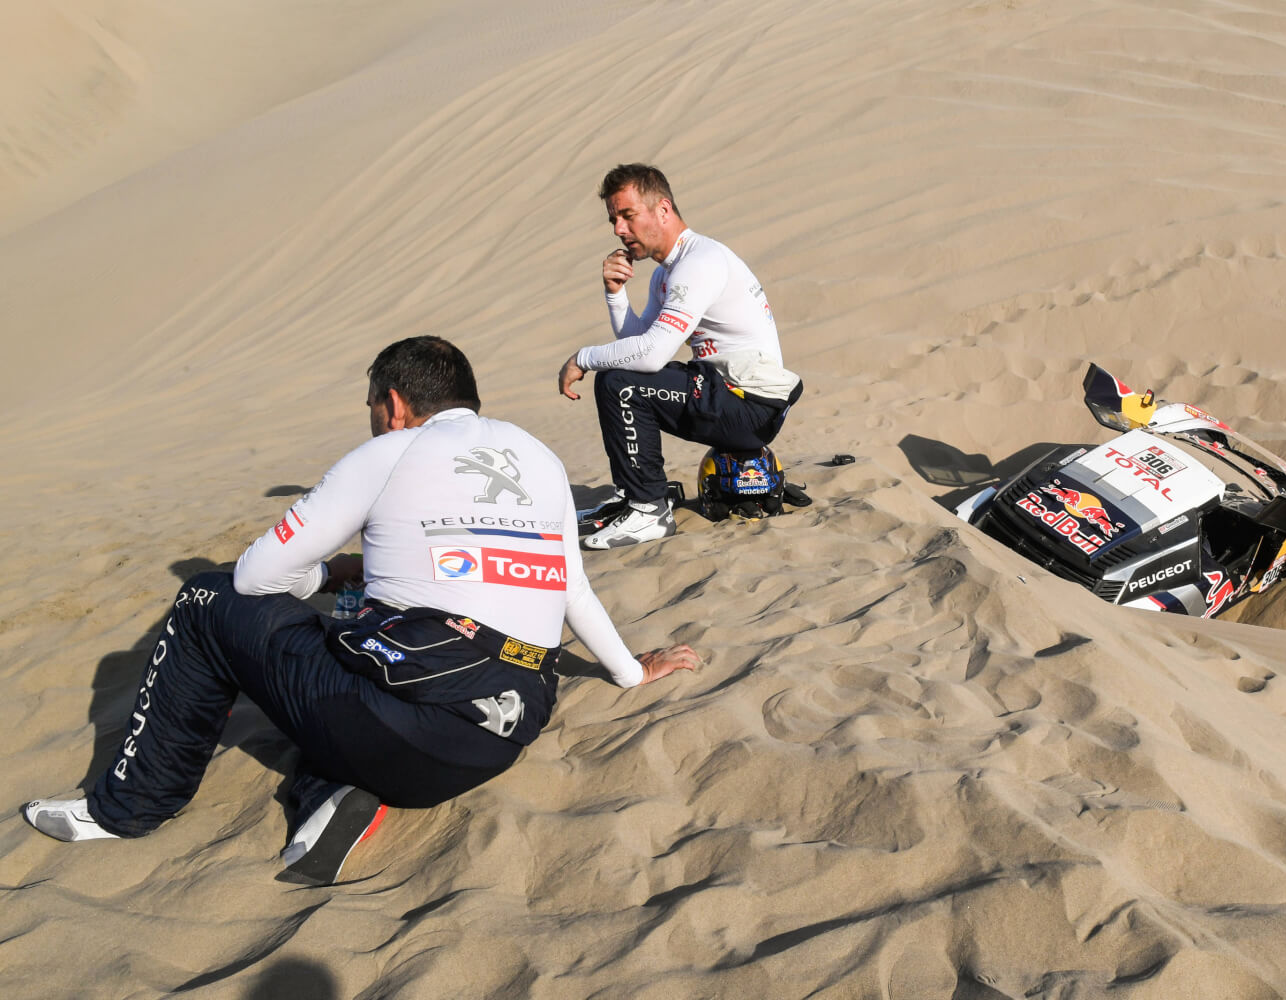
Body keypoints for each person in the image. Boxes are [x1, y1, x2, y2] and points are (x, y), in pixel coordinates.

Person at [24, 336, 700, 884]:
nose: (374, 420)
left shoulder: (391, 449)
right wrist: (631, 673)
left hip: (404, 727)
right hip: (506, 728)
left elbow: (259, 575)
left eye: (373, 407)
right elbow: (572, 589)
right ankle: (327, 793)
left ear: (395, 403)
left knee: (208, 597)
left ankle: (125, 811)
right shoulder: (540, 457)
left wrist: (322, 570)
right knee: (357, 621)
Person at [557, 163, 802, 548]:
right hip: (729, 393)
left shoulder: (699, 262)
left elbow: (650, 356)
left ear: (663, 210)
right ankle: (633, 498)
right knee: (620, 375)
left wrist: (582, 357)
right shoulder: (667, 272)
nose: (619, 229)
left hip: (752, 403)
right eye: (613, 220)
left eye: (627, 215)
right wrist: (615, 293)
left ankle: (648, 510)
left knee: (618, 382)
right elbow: (637, 345)